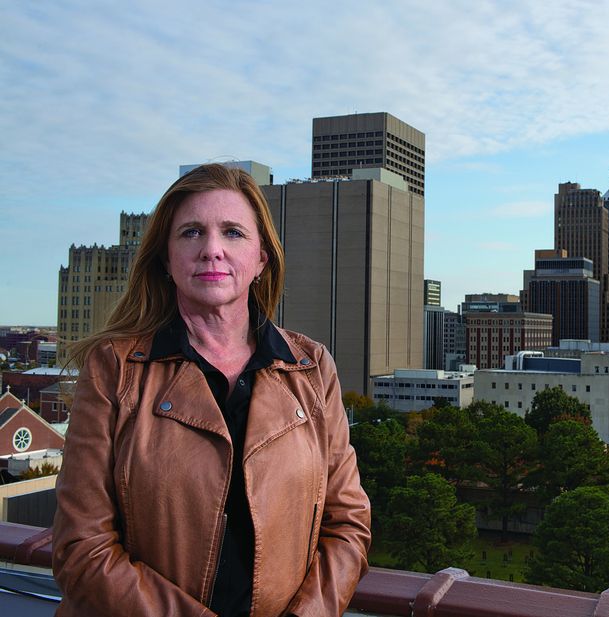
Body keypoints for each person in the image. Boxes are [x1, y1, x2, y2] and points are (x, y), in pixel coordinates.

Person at [52, 164, 371, 617]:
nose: (212, 250)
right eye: (191, 233)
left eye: (233, 232)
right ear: (166, 258)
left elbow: (348, 525)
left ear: (262, 259)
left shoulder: (311, 368)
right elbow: (81, 548)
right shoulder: (114, 370)